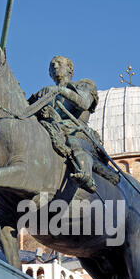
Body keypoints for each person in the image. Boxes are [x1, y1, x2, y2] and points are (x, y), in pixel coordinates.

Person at [29, 56, 100, 193]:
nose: (55, 66)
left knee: (73, 142)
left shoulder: (84, 84)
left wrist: (59, 90)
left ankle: (86, 176)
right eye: (52, 65)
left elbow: (83, 103)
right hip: (52, 128)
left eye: (59, 63)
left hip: (76, 130)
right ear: (49, 74)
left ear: (70, 69)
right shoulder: (45, 92)